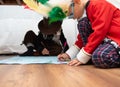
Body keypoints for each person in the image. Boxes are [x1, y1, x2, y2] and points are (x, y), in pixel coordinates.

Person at [58, 0, 120, 68]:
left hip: (116, 40)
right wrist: (69, 54)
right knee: (83, 24)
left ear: (77, 2)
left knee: (101, 57)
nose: (73, 18)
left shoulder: (98, 4)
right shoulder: (89, 11)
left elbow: (99, 31)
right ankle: (92, 57)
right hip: (106, 40)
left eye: (71, 14)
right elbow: (82, 38)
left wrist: (83, 56)